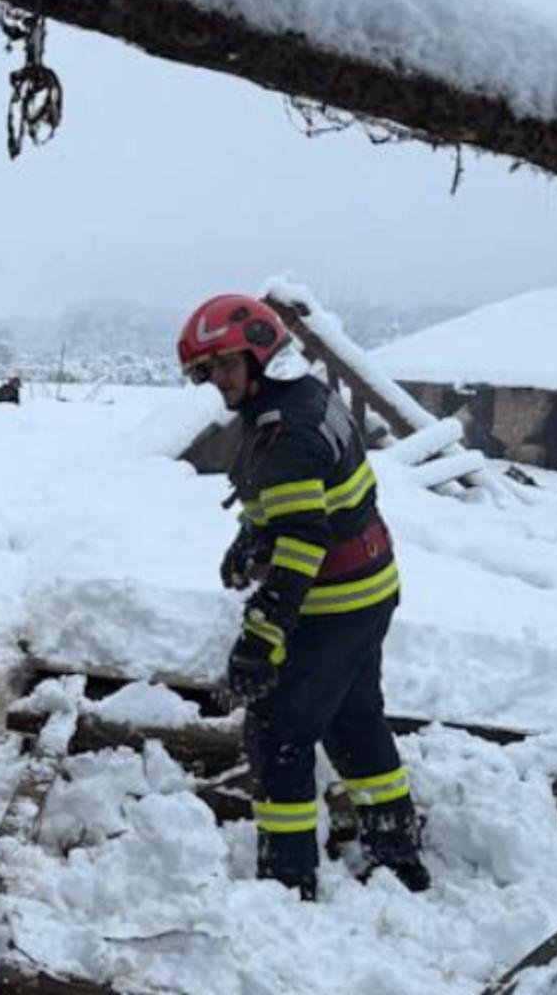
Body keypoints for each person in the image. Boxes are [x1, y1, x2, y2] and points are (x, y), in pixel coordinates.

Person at [177, 292, 430, 901]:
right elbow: (307, 506)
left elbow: (301, 543)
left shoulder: (283, 432)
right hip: (372, 589)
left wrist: (262, 638)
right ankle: (397, 856)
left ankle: (287, 883)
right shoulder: (307, 399)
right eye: (206, 371)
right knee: (354, 718)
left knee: (279, 735)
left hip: (333, 604)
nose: (217, 381)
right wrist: (250, 535)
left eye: (225, 365)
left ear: (260, 354)